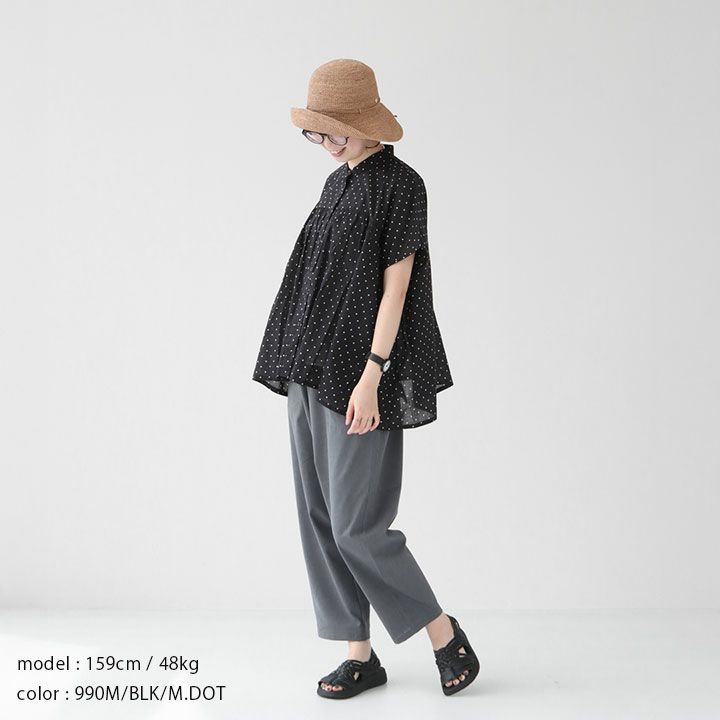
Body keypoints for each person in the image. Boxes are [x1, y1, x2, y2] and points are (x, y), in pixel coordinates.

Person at [252, 58, 480, 698]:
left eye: (335, 131)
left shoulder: (402, 185)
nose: (326, 143)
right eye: (315, 132)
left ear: (363, 121)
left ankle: (443, 633)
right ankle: (359, 653)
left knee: (358, 525)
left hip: (358, 374)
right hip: (307, 366)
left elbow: (396, 290)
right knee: (321, 517)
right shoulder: (336, 185)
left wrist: (372, 375)